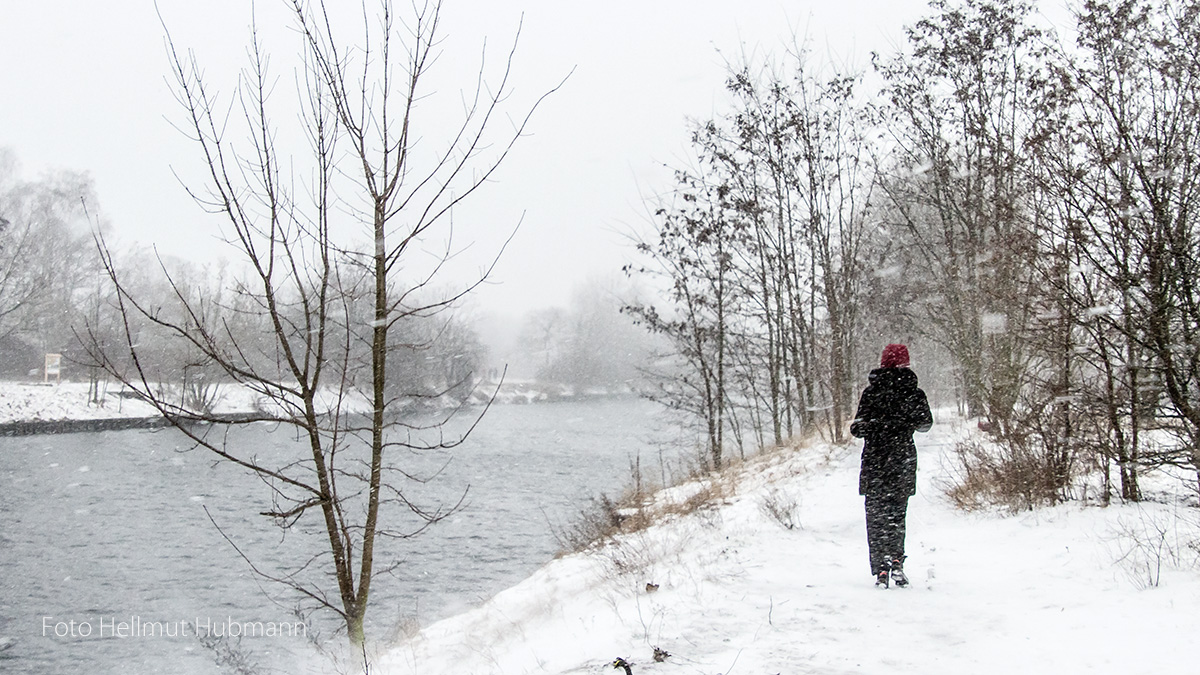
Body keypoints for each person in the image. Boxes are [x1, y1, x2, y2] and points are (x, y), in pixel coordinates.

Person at [850, 343, 933, 588]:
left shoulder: (871, 392)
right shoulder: (913, 392)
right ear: (905, 363)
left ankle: (880, 570)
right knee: (897, 514)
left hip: (875, 462)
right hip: (902, 459)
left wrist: (877, 425)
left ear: (883, 362)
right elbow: (925, 423)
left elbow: (857, 428)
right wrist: (902, 424)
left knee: (875, 516)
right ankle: (897, 560)